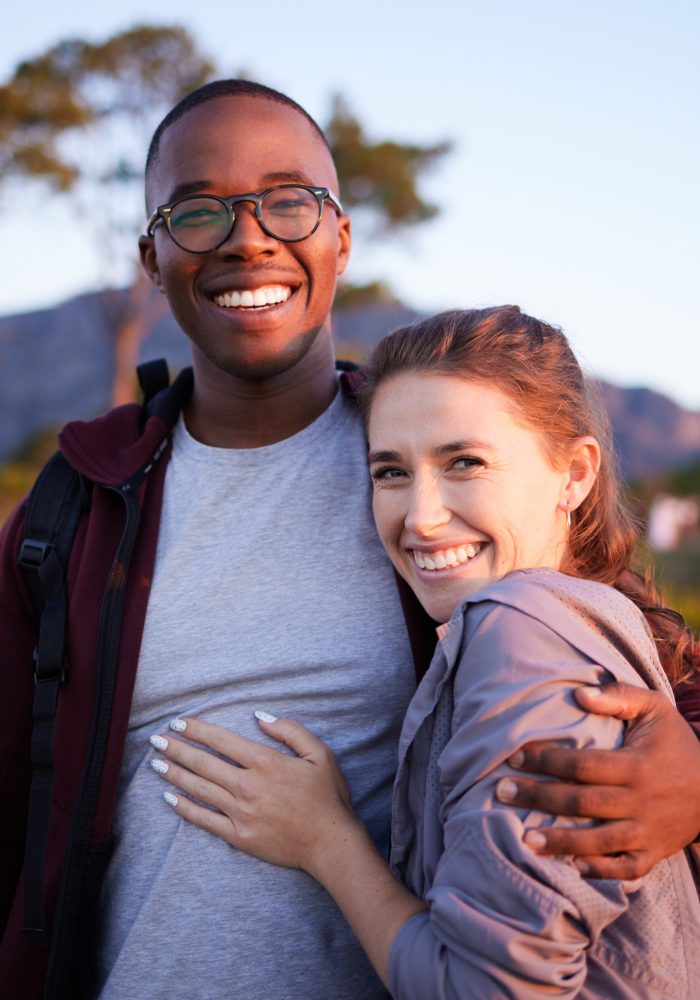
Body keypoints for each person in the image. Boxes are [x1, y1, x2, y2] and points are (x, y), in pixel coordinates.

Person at [0, 79, 698, 999]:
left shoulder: (438, 464)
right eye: (199, 212)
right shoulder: (79, 506)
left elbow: (627, 650)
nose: (249, 238)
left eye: (289, 202)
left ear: (341, 236)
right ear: (151, 256)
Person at [147, 306, 700, 997]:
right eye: (391, 472)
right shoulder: (590, 619)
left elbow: (484, 988)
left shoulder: (519, 628)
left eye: (465, 462)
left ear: (575, 473)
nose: (422, 517)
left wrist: (326, 841)